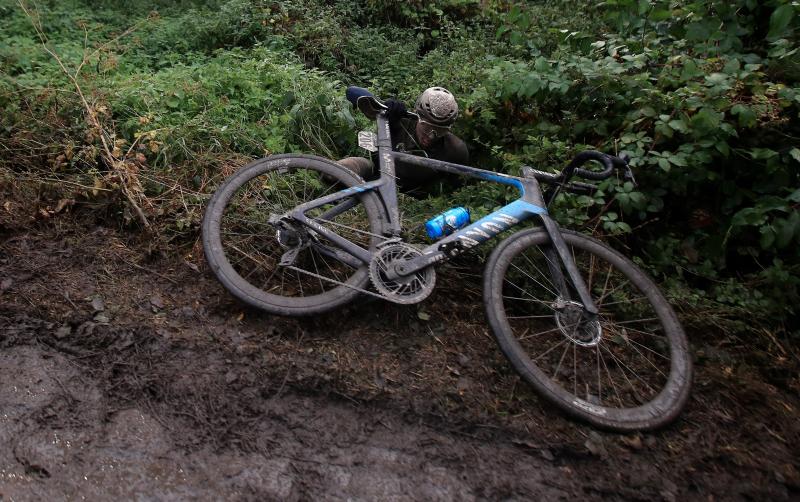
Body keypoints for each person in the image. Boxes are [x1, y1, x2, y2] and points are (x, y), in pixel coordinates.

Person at [339, 86, 469, 193]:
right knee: (340, 169)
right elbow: (351, 91)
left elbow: (458, 188)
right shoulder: (401, 121)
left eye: (440, 131)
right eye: (426, 126)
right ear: (417, 115)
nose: (430, 135)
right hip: (376, 170)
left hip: (410, 195)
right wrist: (386, 109)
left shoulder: (455, 149)